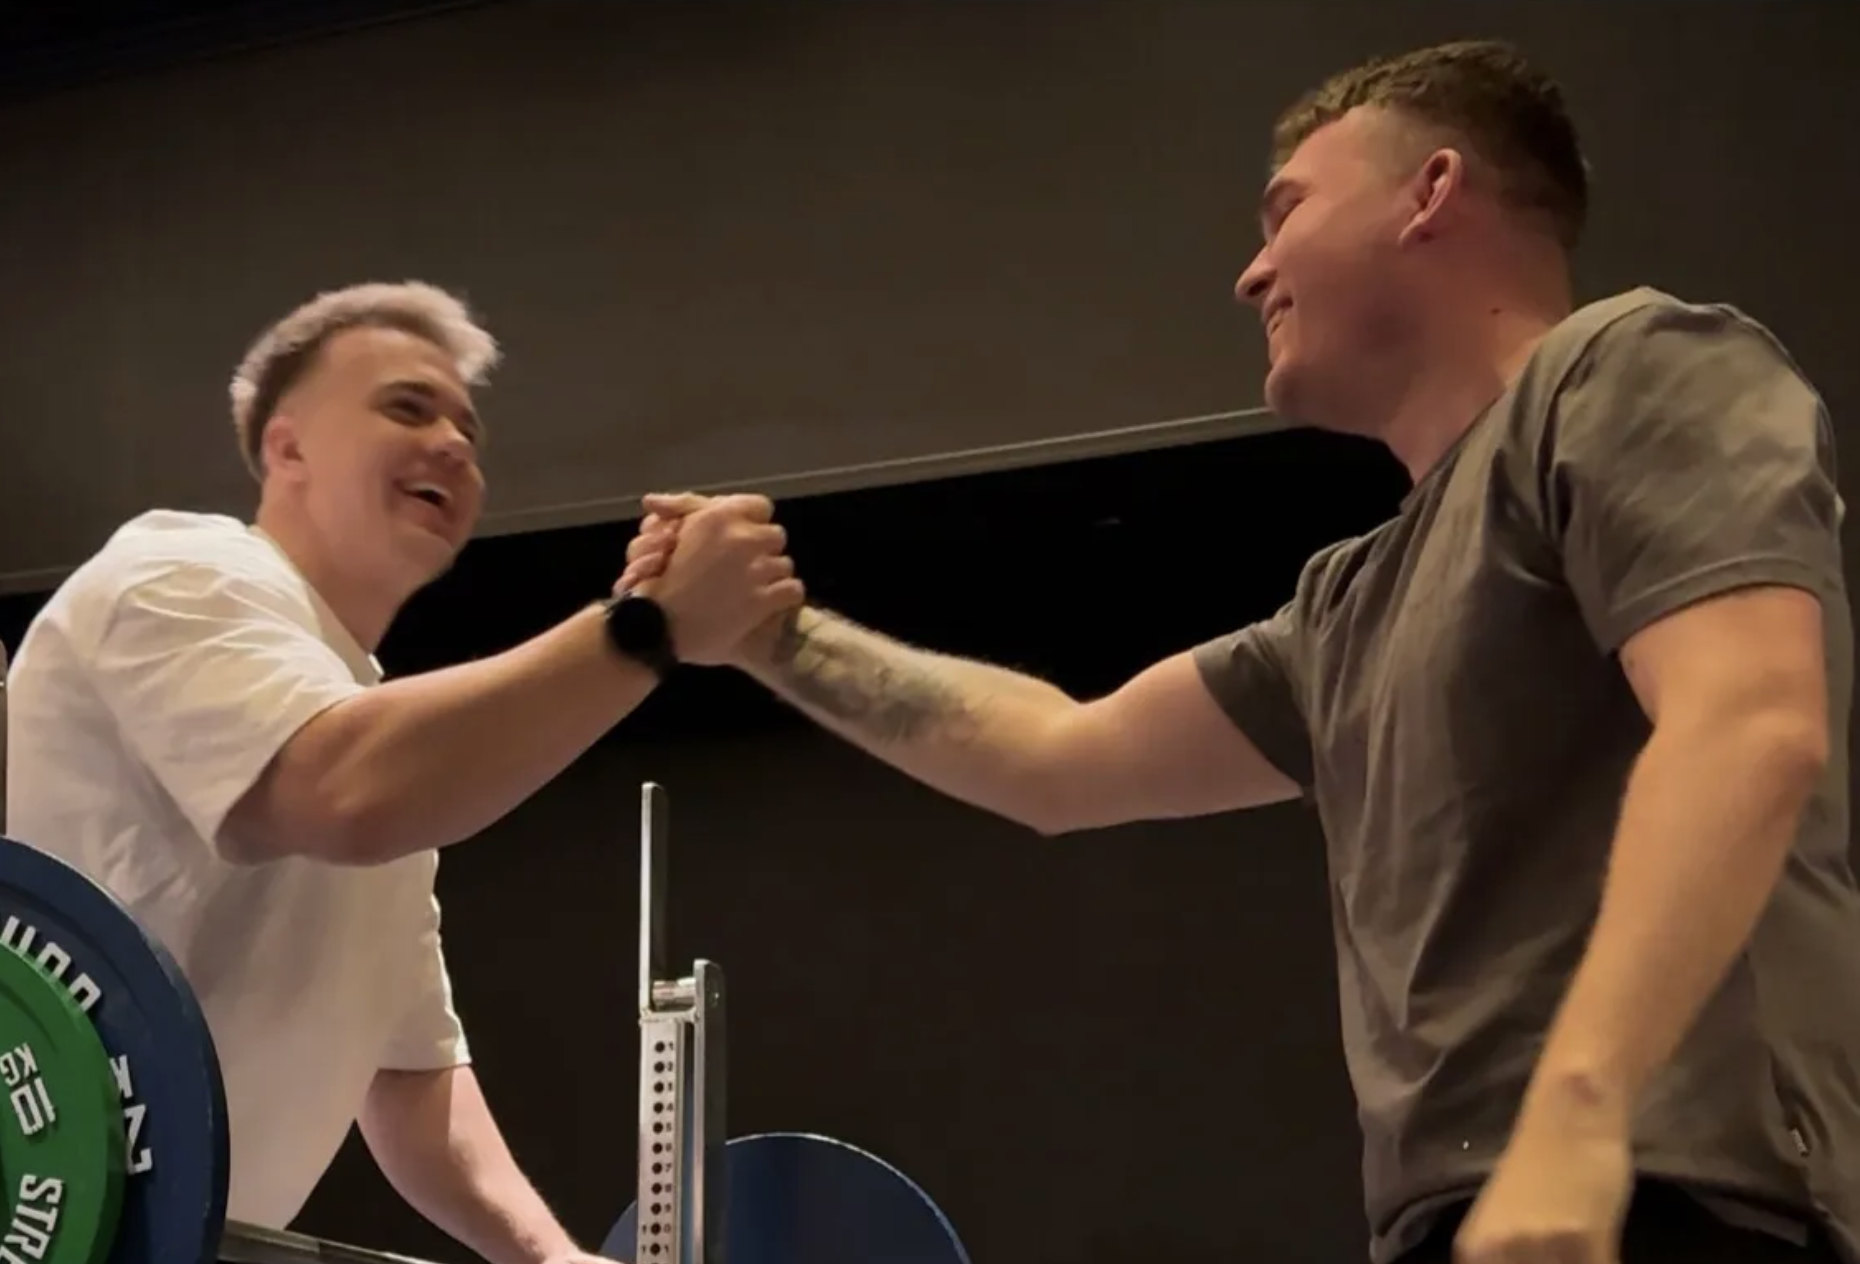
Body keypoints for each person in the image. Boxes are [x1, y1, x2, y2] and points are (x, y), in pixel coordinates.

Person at [622, 38, 1860, 1264]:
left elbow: (1750, 720)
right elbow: (1057, 758)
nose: (1250, 273)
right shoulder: (1346, 608)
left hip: (1684, 1201)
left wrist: (1579, 1115)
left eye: (1287, 211)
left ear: (1431, 192)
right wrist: (769, 637)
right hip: (1483, 1217)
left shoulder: (1636, 368)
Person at [3, 281, 803, 1264]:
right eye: (407, 408)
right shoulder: (178, 572)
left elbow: (411, 1079)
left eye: (467, 427)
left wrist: (553, 1259)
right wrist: (651, 627)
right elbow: (343, 787)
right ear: (288, 447)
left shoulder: (365, 714)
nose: (453, 445)